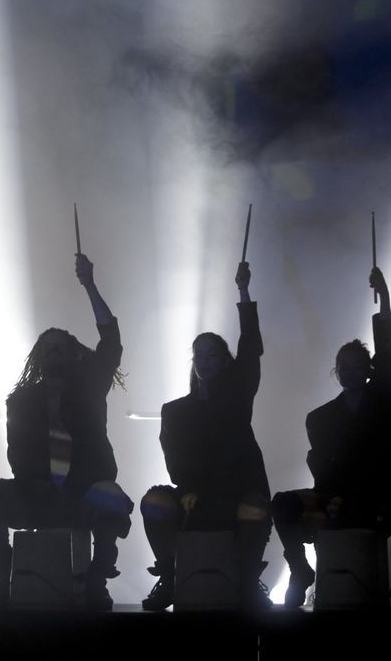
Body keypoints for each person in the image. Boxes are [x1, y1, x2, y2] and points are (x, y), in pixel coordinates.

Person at [0, 253, 131, 610]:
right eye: (48, 350)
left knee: (112, 495)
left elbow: (110, 343)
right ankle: (7, 571)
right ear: (38, 358)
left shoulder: (90, 386)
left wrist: (90, 286)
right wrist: (38, 485)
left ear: (74, 354)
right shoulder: (22, 400)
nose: (54, 354)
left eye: (61, 348)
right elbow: (18, 453)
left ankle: (97, 578)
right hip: (37, 492)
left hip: (85, 491)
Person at [272, 267, 391, 608]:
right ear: (337, 373)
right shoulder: (320, 418)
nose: (351, 373)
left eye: (358, 366)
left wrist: (383, 297)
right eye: (344, 368)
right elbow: (321, 467)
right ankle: (300, 569)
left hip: (378, 497)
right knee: (282, 503)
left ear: (368, 369)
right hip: (334, 498)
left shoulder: (382, 397)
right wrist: (332, 495)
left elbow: (385, 349)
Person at [141, 261, 272, 611]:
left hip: (239, 494)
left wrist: (243, 293)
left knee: (256, 506)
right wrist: (189, 489)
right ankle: (168, 577)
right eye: (199, 353)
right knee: (154, 501)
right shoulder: (175, 410)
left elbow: (250, 349)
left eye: (213, 353)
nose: (205, 359)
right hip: (193, 496)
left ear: (225, 361)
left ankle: (247, 581)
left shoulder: (239, 396)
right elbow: (174, 461)